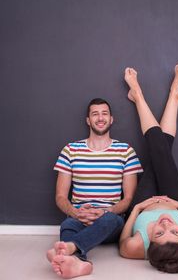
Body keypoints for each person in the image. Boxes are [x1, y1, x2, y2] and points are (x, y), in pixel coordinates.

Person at [119, 65, 178, 273]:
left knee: (160, 151)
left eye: (158, 233)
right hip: (176, 202)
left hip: (144, 202)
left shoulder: (135, 248)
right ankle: (155, 95)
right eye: (175, 232)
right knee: (161, 151)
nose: (166, 224)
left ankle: (152, 95)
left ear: (150, 246)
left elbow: (123, 240)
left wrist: (138, 208)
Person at [47, 98, 143, 278]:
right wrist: (76, 213)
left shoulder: (126, 151)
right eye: (95, 114)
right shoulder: (70, 150)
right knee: (67, 224)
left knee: (112, 220)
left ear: (111, 119)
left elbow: (129, 199)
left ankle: (70, 249)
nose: (100, 118)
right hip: (79, 217)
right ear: (88, 120)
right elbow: (60, 196)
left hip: (110, 221)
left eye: (104, 113)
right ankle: (77, 262)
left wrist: (107, 210)